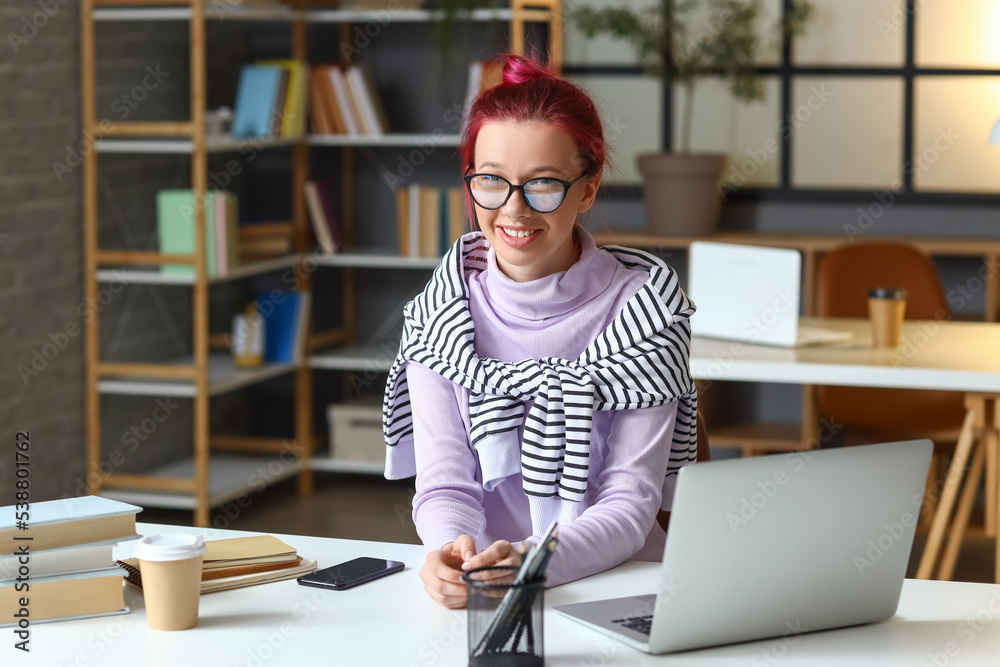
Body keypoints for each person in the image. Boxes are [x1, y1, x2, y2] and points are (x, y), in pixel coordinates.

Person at [382, 54, 698, 609]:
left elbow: (629, 506)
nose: (514, 209)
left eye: (544, 185)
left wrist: (535, 562)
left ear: (589, 189)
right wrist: (449, 553)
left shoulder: (647, 312)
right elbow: (445, 485)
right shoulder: (441, 315)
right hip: (486, 592)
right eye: (491, 182)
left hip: (622, 590)